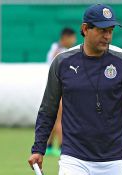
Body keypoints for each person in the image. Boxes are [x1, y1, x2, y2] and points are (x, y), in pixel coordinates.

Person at [28, 4, 122, 175]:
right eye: (102, 30)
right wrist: (39, 148)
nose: (107, 36)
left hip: (113, 158)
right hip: (73, 157)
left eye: (111, 30)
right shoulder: (62, 62)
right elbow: (48, 109)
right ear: (85, 29)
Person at [45, 27, 76, 157]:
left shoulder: (58, 49)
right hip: (60, 89)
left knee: (53, 118)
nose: (74, 40)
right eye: (72, 37)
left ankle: (49, 146)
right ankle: (63, 147)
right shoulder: (59, 51)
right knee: (60, 119)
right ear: (65, 38)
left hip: (55, 89)